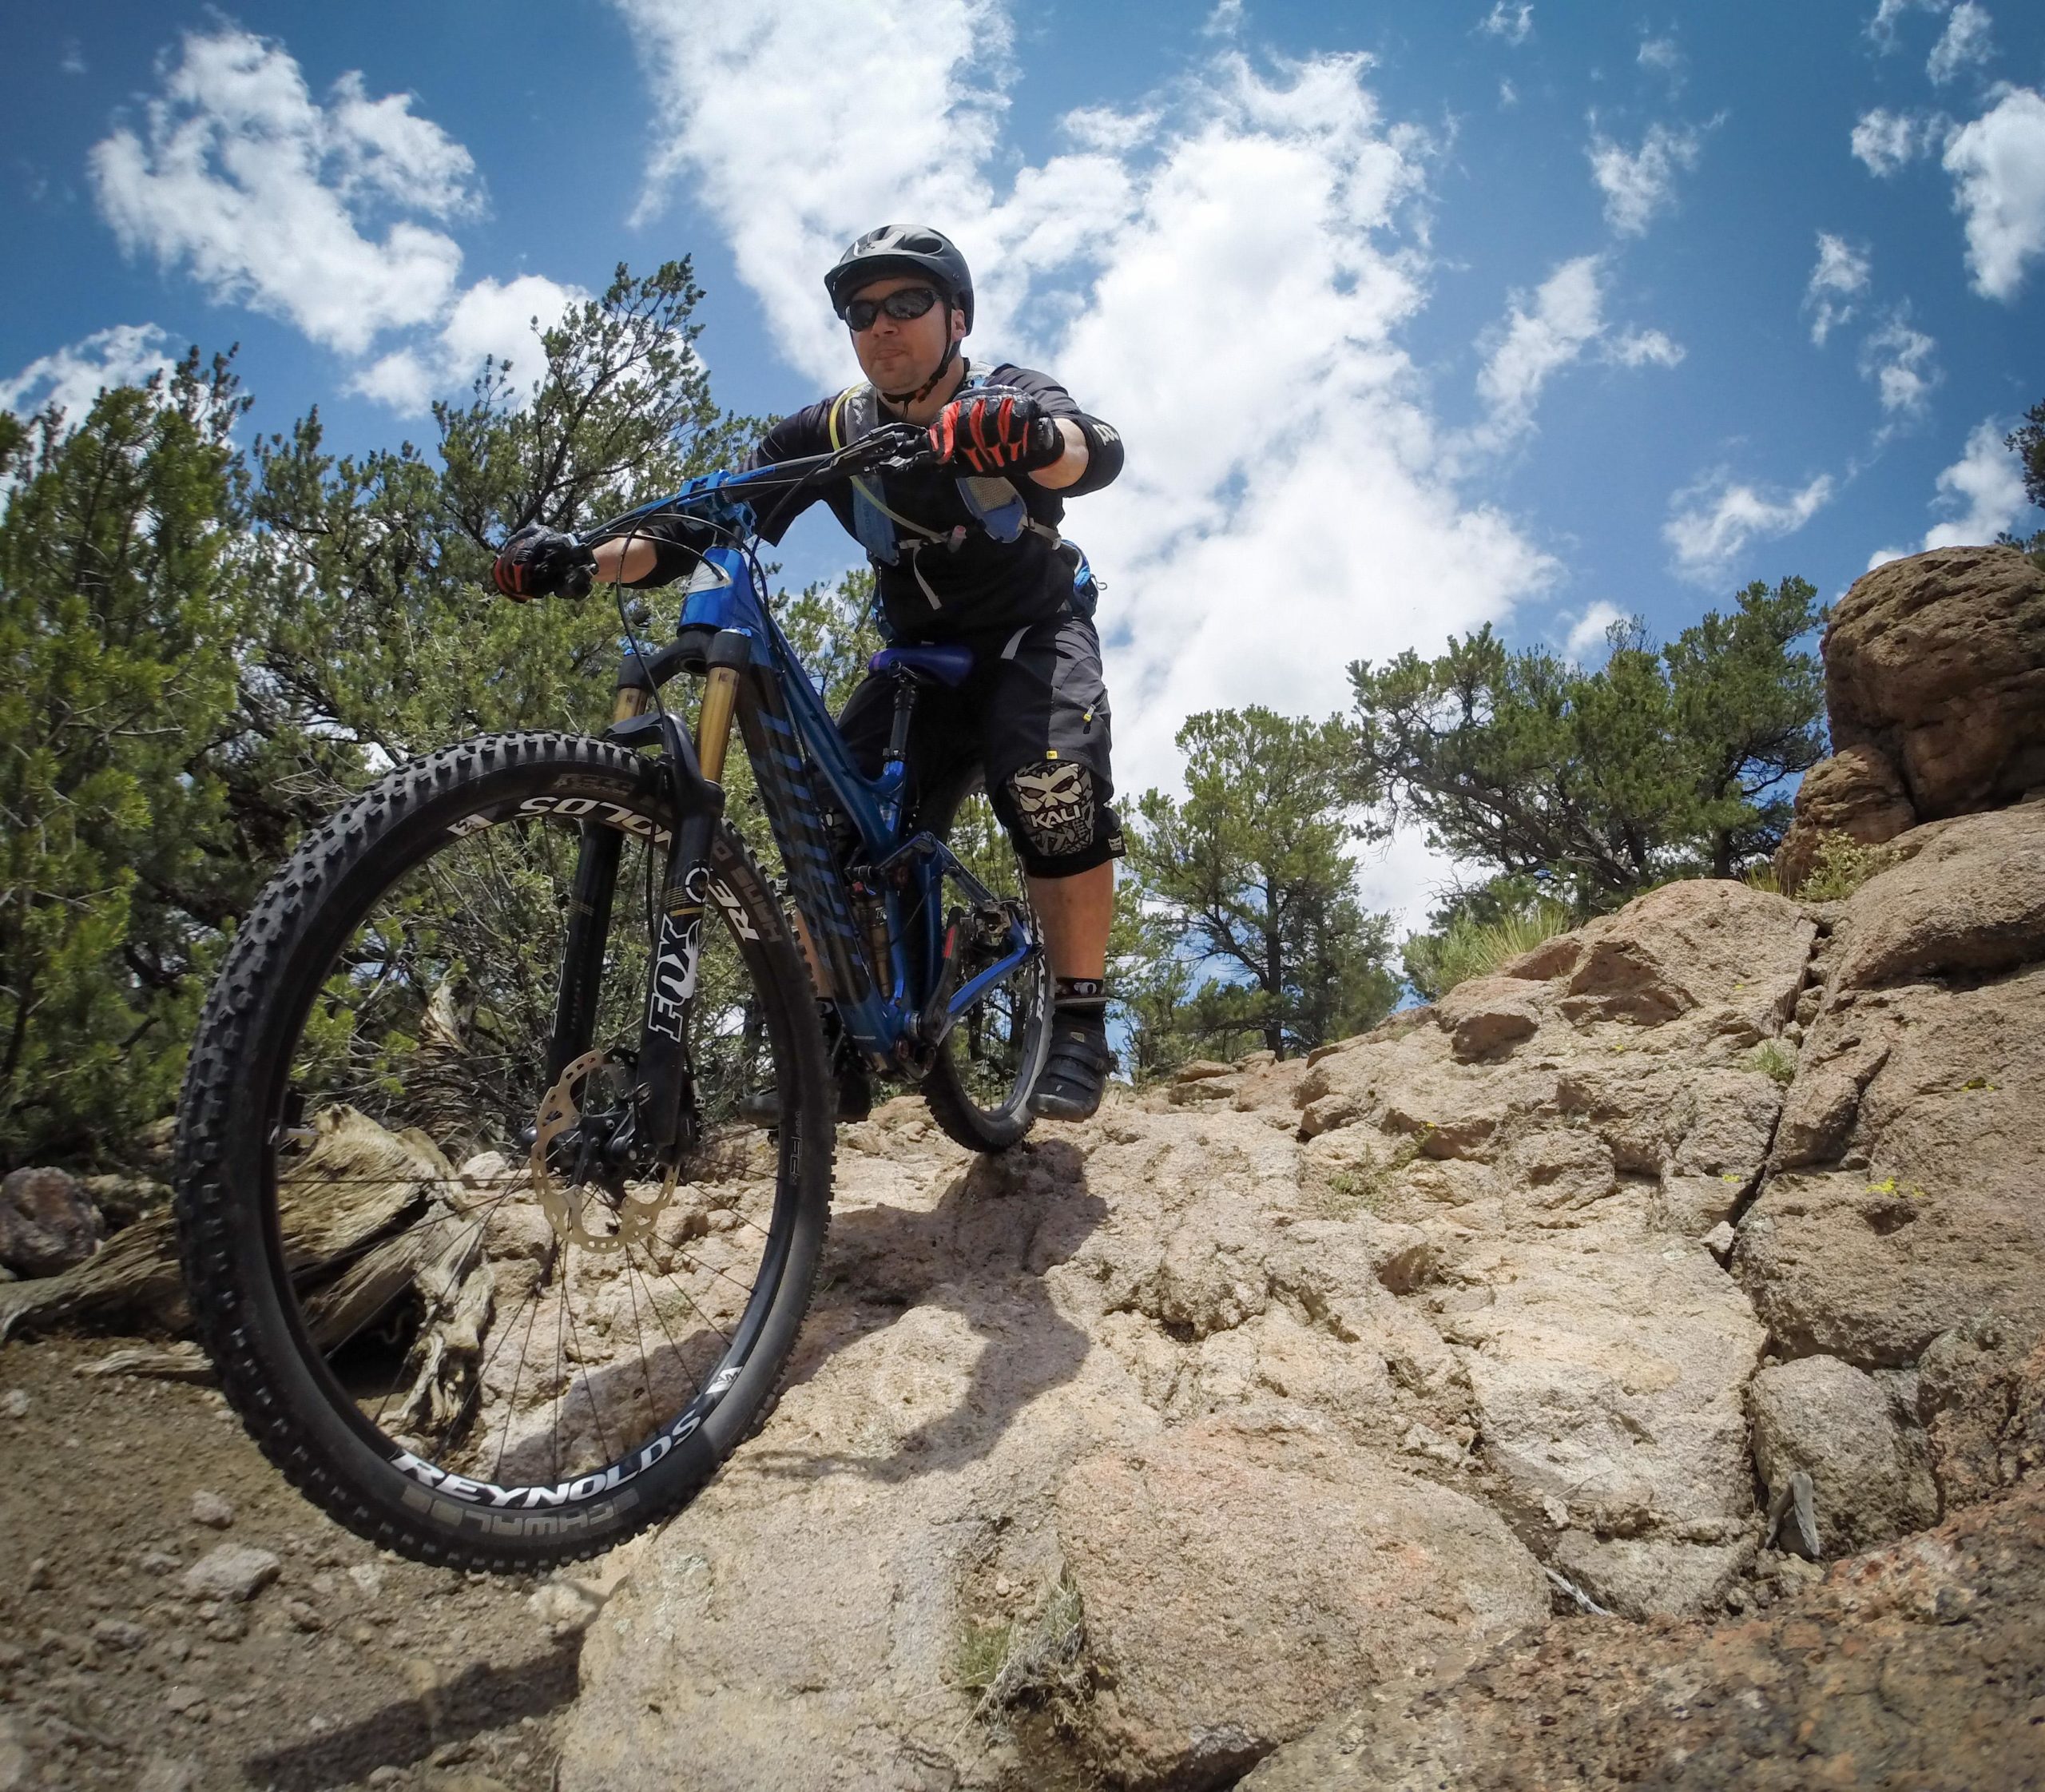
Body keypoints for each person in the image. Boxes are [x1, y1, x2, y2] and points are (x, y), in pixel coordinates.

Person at [492, 225, 1126, 1122]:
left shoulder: (1004, 394)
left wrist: (1022, 436)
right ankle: (831, 1033)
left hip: (1032, 634)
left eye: (907, 303)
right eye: (861, 312)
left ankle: (1077, 1014)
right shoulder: (830, 431)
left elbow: (1089, 450)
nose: (882, 326)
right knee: (822, 834)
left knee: (1050, 786)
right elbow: (698, 528)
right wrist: (581, 560)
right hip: (917, 661)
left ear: (956, 316)